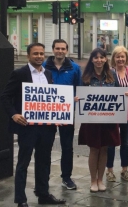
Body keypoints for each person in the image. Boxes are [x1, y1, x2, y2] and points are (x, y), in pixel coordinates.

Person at [1, 43, 66, 206]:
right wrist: (14, 114)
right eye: (35, 53)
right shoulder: (19, 73)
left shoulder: (48, 74)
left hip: (47, 127)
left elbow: (50, 99)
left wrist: (61, 111)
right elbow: (5, 97)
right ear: (28, 56)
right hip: (27, 127)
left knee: (44, 161)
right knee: (23, 162)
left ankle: (43, 194)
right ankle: (21, 200)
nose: (39, 56)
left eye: (41, 53)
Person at [78, 48, 121, 192]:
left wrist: (124, 96)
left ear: (105, 59)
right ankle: (93, 180)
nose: (99, 60)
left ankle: (101, 179)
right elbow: (80, 95)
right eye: (95, 58)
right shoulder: (86, 77)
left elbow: (118, 94)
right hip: (91, 120)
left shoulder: (112, 75)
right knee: (94, 149)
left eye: (101, 57)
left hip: (108, 120)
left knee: (104, 149)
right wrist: (77, 99)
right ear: (91, 60)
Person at [43, 39, 82, 190]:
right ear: (53, 50)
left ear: (67, 50)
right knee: (45, 146)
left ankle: (66, 177)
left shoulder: (75, 68)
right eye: (57, 48)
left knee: (67, 147)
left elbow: (79, 88)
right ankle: (43, 177)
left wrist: (76, 101)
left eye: (63, 49)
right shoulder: (44, 67)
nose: (60, 51)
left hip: (66, 113)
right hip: (47, 114)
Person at [105, 46, 128, 182]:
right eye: (117, 56)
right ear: (113, 58)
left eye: (122, 56)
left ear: (126, 58)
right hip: (113, 113)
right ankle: (110, 170)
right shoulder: (109, 73)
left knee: (125, 143)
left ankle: (125, 170)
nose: (120, 59)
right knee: (111, 142)